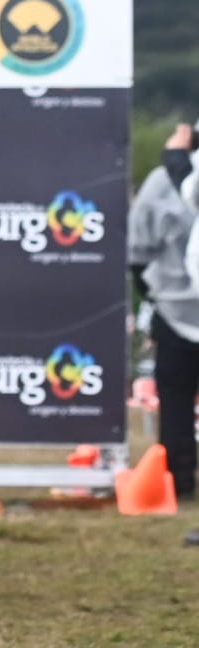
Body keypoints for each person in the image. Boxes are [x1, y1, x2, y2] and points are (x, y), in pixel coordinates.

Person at [129, 122, 199, 500]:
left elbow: (137, 249)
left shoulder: (164, 182)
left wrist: (154, 295)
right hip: (174, 307)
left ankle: (179, 481)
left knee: (175, 400)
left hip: (176, 310)